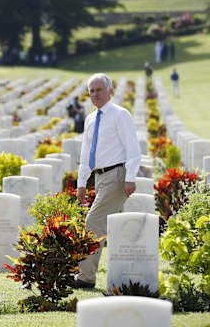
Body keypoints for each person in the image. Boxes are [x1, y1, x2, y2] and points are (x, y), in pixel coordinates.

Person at [70, 73, 141, 289]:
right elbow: (85, 153)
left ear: (109, 90)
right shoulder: (91, 119)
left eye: (99, 89)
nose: (94, 94)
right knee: (104, 224)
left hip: (117, 175)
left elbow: (133, 148)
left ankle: (86, 277)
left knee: (94, 220)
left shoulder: (120, 115)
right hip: (99, 177)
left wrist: (130, 178)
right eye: (91, 91)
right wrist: (82, 183)